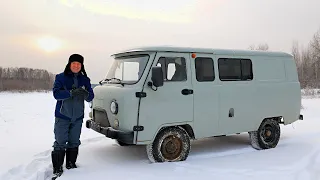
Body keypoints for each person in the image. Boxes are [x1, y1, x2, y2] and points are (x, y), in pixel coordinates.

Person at [51, 54, 94, 179]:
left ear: (82, 66)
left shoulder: (85, 80)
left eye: (79, 64)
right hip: (62, 116)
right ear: (69, 64)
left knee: (74, 142)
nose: (76, 66)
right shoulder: (61, 77)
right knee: (60, 142)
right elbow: (56, 94)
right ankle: (57, 168)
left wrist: (85, 93)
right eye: (74, 63)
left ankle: (71, 165)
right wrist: (71, 92)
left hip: (78, 117)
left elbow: (91, 97)